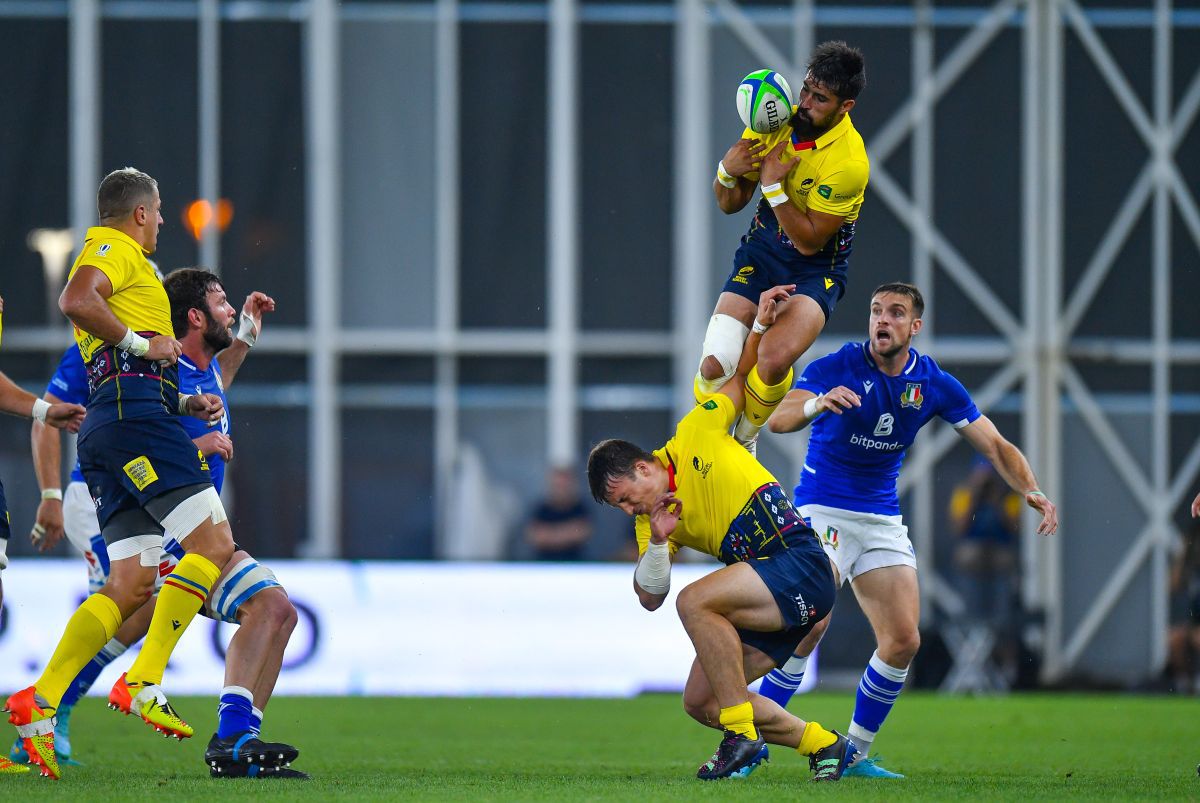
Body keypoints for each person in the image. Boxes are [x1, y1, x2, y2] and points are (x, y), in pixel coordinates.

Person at [755, 281, 1059, 778]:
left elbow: (995, 444)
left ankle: (849, 755)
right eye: (877, 311)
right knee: (810, 623)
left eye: (896, 313)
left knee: (903, 640)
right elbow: (780, 417)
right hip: (822, 511)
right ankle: (753, 740)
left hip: (879, 518)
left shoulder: (934, 383)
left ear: (914, 327)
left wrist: (1032, 489)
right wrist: (816, 404)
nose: (883, 320)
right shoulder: (837, 365)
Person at [14, 271, 305, 779]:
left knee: (269, 610)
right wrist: (52, 496)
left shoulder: (197, 368)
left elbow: (215, 379)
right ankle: (89, 697)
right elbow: (134, 446)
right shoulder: (137, 359)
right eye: (220, 302)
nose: (229, 310)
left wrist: (247, 336)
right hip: (156, 518)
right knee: (138, 601)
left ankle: (232, 736)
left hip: (170, 510)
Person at [4, 167, 237, 781]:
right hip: (134, 424)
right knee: (215, 544)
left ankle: (41, 699)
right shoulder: (116, 249)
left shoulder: (133, 270)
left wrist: (182, 402)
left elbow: (112, 358)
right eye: (159, 212)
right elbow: (75, 299)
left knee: (131, 584)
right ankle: (143, 678)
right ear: (139, 213)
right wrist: (141, 343)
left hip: (114, 424)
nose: (161, 221)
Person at [587, 285, 858, 783]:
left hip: (796, 560)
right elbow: (648, 598)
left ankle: (741, 737)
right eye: (621, 507)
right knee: (702, 700)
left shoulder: (697, 432)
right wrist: (663, 543)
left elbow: (738, 384)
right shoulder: (652, 522)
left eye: (626, 497)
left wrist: (757, 326)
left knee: (694, 602)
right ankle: (826, 746)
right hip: (770, 588)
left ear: (646, 468)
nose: (629, 510)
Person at [697, 41, 869, 456]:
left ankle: (742, 445)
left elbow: (809, 242)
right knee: (715, 364)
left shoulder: (849, 163)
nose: (804, 103)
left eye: (819, 99)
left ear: (844, 106)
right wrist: (726, 171)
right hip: (760, 254)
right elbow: (729, 203)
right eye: (806, 89)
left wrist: (773, 186)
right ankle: (704, 440)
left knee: (771, 361)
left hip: (814, 271)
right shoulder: (773, 116)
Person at [0, 296, 88, 777]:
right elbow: (49, 414)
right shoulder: (94, 351)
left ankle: (48, 709)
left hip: (145, 501)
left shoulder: (163, 352)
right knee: (130, 597)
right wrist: (51, 495)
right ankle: (50, 709)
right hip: (100, 501)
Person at [523, 466, 592, 561]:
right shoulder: (540, 509)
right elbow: (534, 536)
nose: (561, 490)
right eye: (558, 486)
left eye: (564, 486)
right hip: (543, 566)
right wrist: (567, 532)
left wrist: (549, 535)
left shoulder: (580, 508)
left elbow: (582, 533)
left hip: (575, 566)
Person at [1167, 518, 1200, 693]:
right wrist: (1183, 553)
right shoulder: (1193, 569)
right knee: (1174, 638)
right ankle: (1184, 685)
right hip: (1194, 624)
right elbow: (1171, 585)